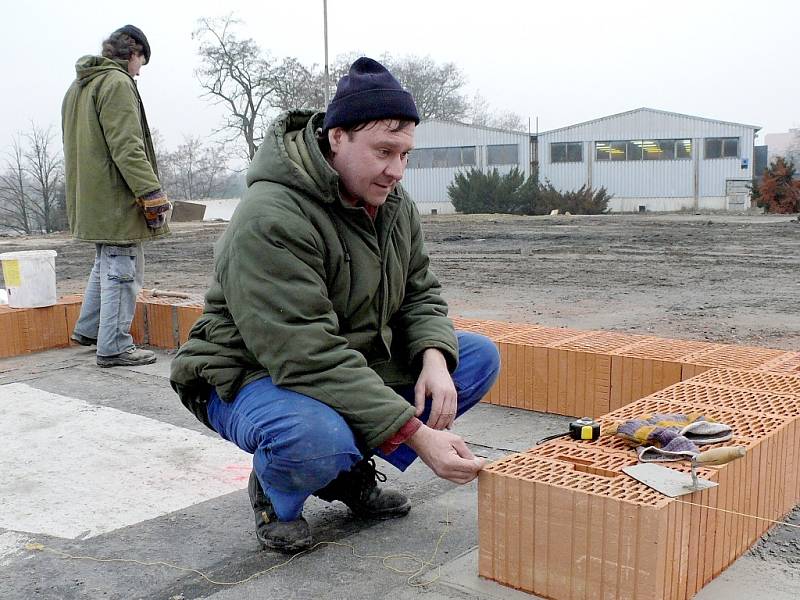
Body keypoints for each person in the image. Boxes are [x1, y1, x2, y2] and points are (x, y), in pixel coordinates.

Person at [170, 57, 500, 553]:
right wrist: (414, 434)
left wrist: (434, 357)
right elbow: (305, 352)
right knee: (315, 438)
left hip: (339, 360)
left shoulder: (393, 203)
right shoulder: (272, 216)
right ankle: (278, 490)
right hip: (249, 373)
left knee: (473, 359)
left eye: (405, 154)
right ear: (336, 137)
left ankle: (344, 473)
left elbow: (419, 292)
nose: (396, 170)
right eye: (384, 151)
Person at [62, 25, 171, 367]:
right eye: (141, 61)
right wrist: (151, 192)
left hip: (90, 197)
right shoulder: (117, 83)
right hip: (114, 198)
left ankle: (92, 330)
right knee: (123, 266)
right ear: (133, 52)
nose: (140, 70)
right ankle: (114, 345)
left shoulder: (79, 86)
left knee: (105, 262)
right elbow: (127, 145)